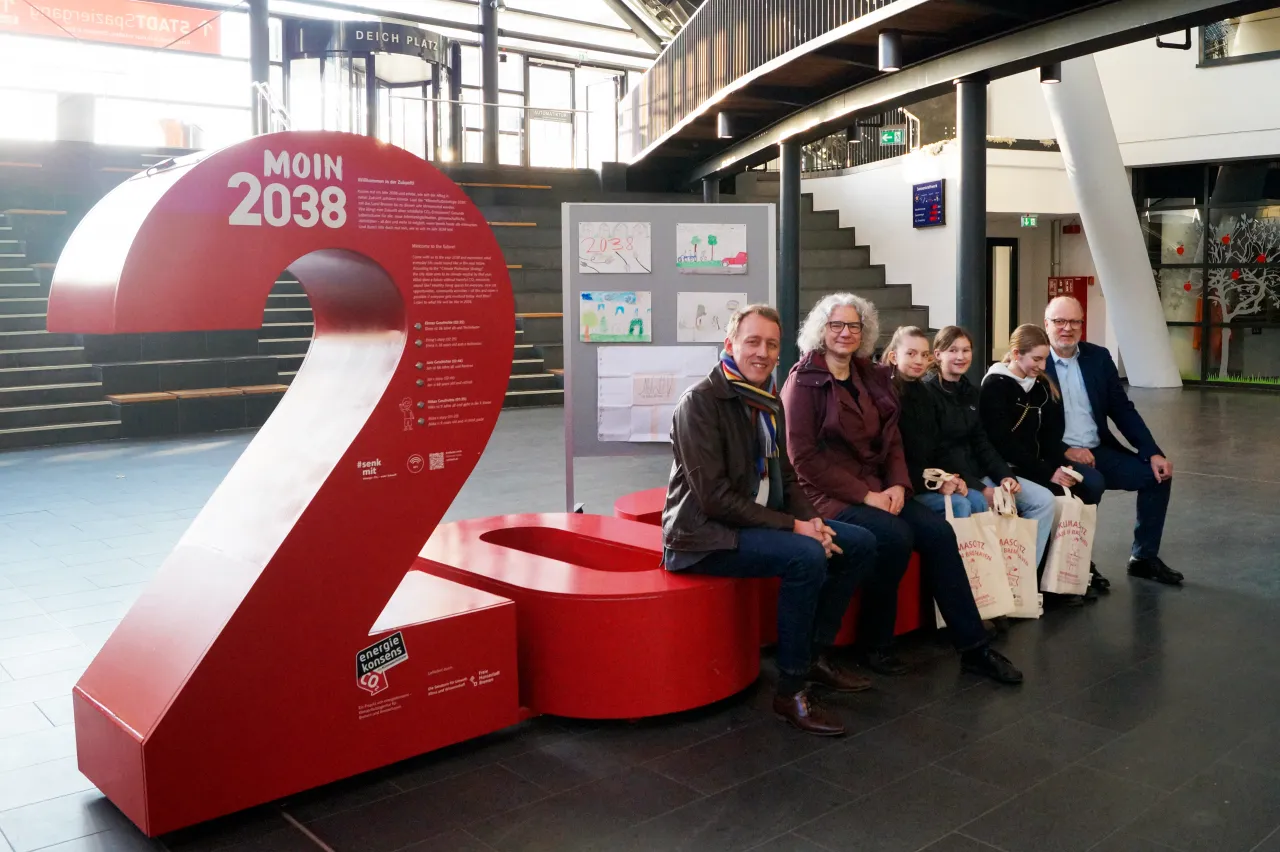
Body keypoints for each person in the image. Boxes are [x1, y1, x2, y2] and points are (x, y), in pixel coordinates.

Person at [662, 304, 878, 736]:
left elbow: (788, 478)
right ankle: (790, 689)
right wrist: (795, 529)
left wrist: (813, 520)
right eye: (753, 342)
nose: (762, 352)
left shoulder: (767, 400)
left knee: (860, 543)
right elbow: (715, 498)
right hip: (701, 538)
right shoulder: (700, 404)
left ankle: (814, 654)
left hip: (751, 522)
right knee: (806, 557)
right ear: (730, 345)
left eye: (772, 345)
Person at [782, 298, 1023, 684]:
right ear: (820, 330)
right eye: (836, 325)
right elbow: (803, 458)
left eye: (854, 326)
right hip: (828, 496)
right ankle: (875, 644)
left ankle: (974, 648)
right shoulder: (803, 380)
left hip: (881, 488)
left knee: (940, 534)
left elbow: (893, 439)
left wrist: (897, 483)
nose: (846, 333)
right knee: (895, 536)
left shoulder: (869, 374)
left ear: (865, 333)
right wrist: (867, 496)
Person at [1042, 296, 1182, 585]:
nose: (1067, 328)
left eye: (1074, 322)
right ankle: (1078, 565)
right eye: (1059, 322)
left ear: (1082, 324)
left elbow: (1122, 409)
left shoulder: (1098, 358)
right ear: (1046, 325)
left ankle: (1143, 558)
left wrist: (1152, 452)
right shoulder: (1036, 362)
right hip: (1058, 454)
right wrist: (1067, 451)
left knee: (1156, 476)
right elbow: (1031, 427)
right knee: (1091, 484)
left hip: (1098, 449)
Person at [895, 325, 1058, 568]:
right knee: (978, 503)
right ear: (937, 355)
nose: (961, 356)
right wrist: (981, 488)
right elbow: (938, 452)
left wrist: (1005, 475)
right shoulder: (926, 394)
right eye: (953, 350)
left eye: (966, 350)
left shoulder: (971, 391)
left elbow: (982, 441)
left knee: (1044, 501)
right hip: (957, 477)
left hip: (980, 473)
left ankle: (1023, 581)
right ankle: (984, 583)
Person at [979, 323, 1100, 605]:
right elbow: (1003, 444)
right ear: (1015, 354)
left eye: (1044, 358)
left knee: (1083, 491)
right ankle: (1031, 580)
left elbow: (1049, 436)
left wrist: (1060, 468)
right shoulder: (995, 386)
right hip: (1006, 468)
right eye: (1036, 359)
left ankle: (1069, 573)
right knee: (1052, 499)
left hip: (1033, 465)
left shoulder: (1042, 386)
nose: (1042, 365)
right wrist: (1050, 472)